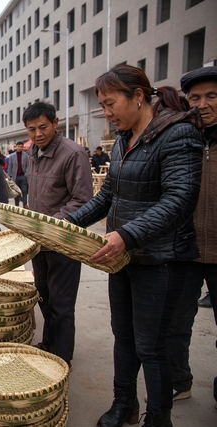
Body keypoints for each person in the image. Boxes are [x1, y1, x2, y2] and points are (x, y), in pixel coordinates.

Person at [65, 64, 203, 427]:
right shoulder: (124, 140)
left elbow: (180, 198)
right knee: (124, 338)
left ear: (138, 96)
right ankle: (123, 404)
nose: (107, 114)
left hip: (162, 260)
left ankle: (158, 418)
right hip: (123, 258)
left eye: (111, 104)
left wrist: (127, 234)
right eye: (103, 106)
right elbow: (107, 196)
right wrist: (63, 225)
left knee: (152, 347)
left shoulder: (178, 134)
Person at [24, 101, 93, 369]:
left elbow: (84, 200)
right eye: (32, 130)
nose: (38, 134)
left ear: (55, 122)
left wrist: (49, 223)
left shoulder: (73, 154)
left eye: (43, 127)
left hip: (63, 241)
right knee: (44, 294)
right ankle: (50, 343)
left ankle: (62, 357)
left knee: (62, 302)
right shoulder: (34, 153)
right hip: (40, 241)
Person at [166, 66, 217, 408]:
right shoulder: (183, 139)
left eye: (211, 96)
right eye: (195, 98)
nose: (203, 104)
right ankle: (179, 381)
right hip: (185, 248)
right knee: (175, 323)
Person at [7, 141, 29, 208]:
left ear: (23, 147)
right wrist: (9, 176)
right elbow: (10, 166)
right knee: (16, 192)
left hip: (23, 176)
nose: (19, 148)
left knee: (24, 191)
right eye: (18, 146)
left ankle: (25, 204)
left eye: (21, 147)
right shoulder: (12, 156)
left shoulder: (26, 155)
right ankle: (16, 204)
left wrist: (26, 174)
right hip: (15, 176)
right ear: (16, 147)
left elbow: (28, 165)